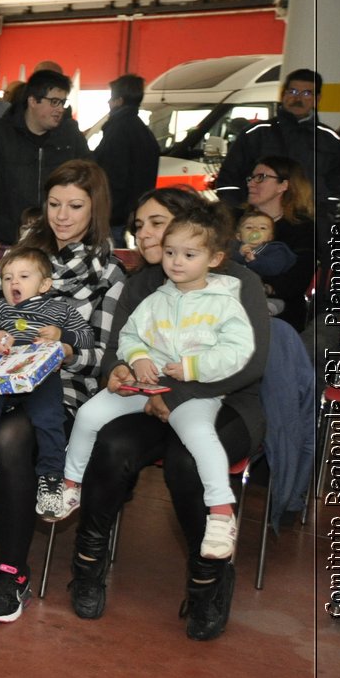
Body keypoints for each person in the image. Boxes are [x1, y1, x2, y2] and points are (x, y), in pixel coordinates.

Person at [0, 159, 124, 623]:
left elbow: (103, 358)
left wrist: (66, 353)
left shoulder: (108, 273)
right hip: (0, 377)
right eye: (55, 204)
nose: (62, 215)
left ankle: (13, 572)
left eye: (75, 206)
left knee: (12, 439)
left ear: (95, 208)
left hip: (60, 388)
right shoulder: (21, 257)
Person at [67, 191, 271, 641]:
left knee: (186, 461)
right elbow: (118, 350)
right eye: (138, 225)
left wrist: (177, 393)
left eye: (157, 223)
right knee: (112, 444)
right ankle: (87, 560)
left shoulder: (237, 282)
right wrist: (118, 371)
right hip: (150, 398)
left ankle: (209, 576)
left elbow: (249, 363)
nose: (145, 235)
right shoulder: (144, 282)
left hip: (225, 402)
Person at [0, 246, 93, 522]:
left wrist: (62, 335)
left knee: (49, 420)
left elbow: (86, 336)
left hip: (41, 378)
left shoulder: (60, 310)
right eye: (8, 277)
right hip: (5, 374)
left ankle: (50, 479)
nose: (14, 283)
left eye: (24, 276)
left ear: (45, 284)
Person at [0, 69, 91, 245]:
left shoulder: (70, 135)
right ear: (33, 101)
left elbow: (91, 181)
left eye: (63, 103)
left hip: (60, 239)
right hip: (8, 240)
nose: (60, 109)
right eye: (54, 102)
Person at [214, 67, 340, 214]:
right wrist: (241, 211)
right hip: (259, 219)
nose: (298, 98)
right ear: (283, 94)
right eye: (293, 91)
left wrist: (325, 212)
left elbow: (339, 185)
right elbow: (228, 180)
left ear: (317, 99)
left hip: (310, 222)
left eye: (307, 93)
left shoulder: (330, 140)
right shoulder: (256, 134)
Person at [237, 154, 319, 330]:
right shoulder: (234, 220)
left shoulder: (302, 229)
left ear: (283, 185)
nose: (251, 183)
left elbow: (296, 282)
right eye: (251, 178)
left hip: (279, 313)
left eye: (261, 178)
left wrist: (265, 286)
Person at [91, 74, 158, 241]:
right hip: (133, 211)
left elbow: (114, 177)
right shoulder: (143, 131)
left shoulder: (118, 131)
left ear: (118, 101)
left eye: (111, 98)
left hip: (114, 216)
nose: (108, 103)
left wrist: (106, 213)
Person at [232, 207, 295, 284]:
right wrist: (239, 255)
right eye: (249, 227)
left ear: (270, 237)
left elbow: (273, 268)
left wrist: (254, 260)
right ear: (238, 236)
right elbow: (224, 261)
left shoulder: (276, 250)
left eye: (263, 228)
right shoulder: (233, 247)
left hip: (258, 288)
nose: (255, 230)